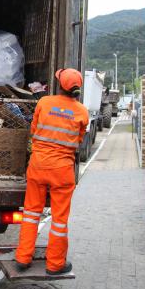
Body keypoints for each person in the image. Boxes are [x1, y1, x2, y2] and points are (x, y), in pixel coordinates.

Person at [15, 68, 89, 275]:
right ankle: (55, 264)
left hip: (38, 166)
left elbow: (33, 130)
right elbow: (79, 141)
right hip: (62, 171)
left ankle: (23, 258)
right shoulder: (82, 112)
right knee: (59, 220)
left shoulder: (44, 103)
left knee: (30, 214)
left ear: (59, 85)